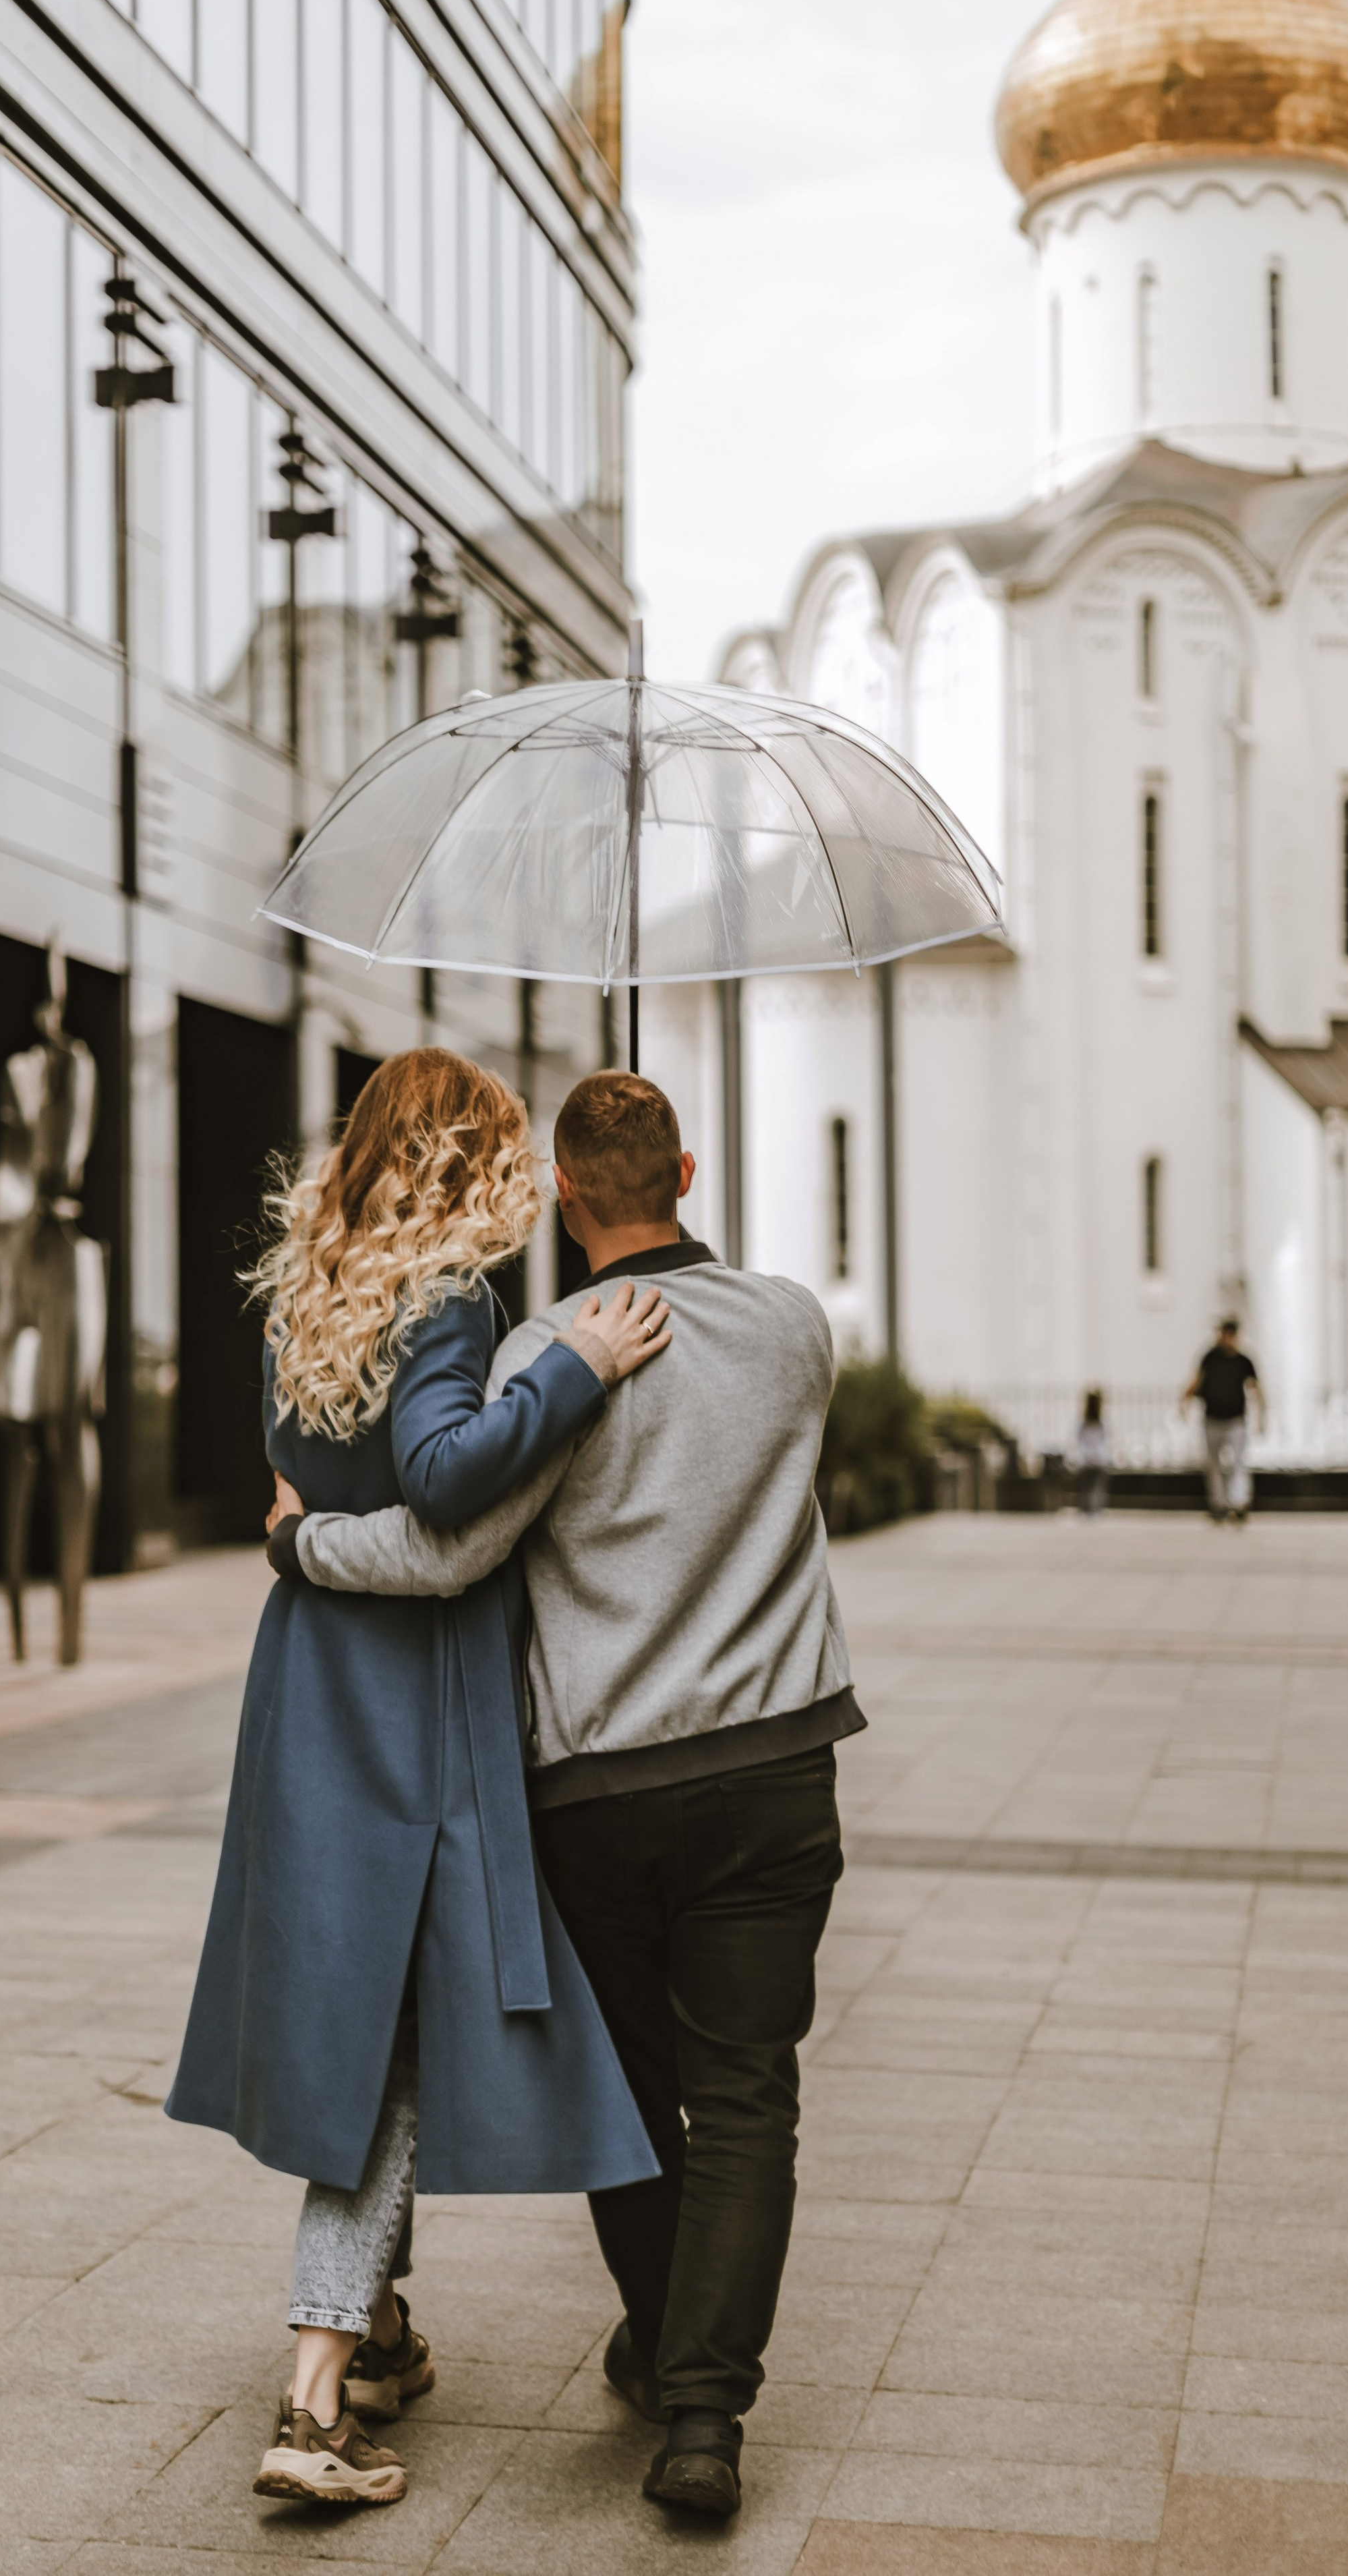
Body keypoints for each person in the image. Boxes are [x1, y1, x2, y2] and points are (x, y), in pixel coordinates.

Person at [270, 1070, 862, 2523]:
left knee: (636, 2098)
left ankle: (666, 2348)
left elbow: (447, 1548)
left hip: (600, 1783)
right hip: (777, 1763)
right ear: (689, 1166)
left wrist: (303, 1548)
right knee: (745, 2095)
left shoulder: (552, 1349)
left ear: (561, 1192)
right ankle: (701, 2414)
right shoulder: (794, 1326)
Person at [163, 1050, 668, 2510]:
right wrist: (577, 1365)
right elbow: (445, 1479)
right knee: (386, 2045)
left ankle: (378, 2335)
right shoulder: (453, 1299)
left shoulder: (310, 1290)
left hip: (312, 1678)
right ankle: (315, 2398)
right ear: (470, 1163)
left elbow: (305, 1486)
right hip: (409, 1697)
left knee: (357, 1992)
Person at [1187, 1317, 1262, 1524]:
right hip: (1213, 1419)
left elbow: (1256, 1387)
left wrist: (1263, 1414)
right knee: (1213, 1464)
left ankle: (1239, 1504)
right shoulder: (1210, 1357)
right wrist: (1184, 1399)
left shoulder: (1244, 1361)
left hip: (1235, 1420)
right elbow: (1197, 1381)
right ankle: (1219, 1505)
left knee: (1238, 1463)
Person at [1072, 1387, 1110, 1516]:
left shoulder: (1083, 1423)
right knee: (1096, 1487)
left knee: (1087, 1487)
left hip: (1086, 1460)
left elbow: (1079, 1440)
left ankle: (1088, 1510)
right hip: (1098, 1459)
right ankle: (1095, 1510)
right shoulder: (1101, 1423)